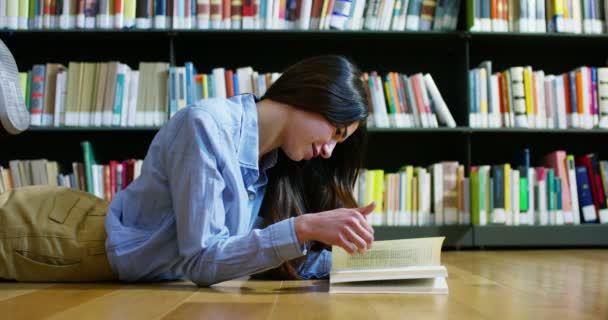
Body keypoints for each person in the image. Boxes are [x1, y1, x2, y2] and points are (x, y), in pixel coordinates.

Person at [0, 55, 376, 285]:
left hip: (90, 229)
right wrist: (303, 227)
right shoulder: (207, 126)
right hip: (57, 236)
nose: (328, 151)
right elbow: (202, 261)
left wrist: (360, 264)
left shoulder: (271, 164)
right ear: (315, 97)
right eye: (335, 133)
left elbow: (243, 251)